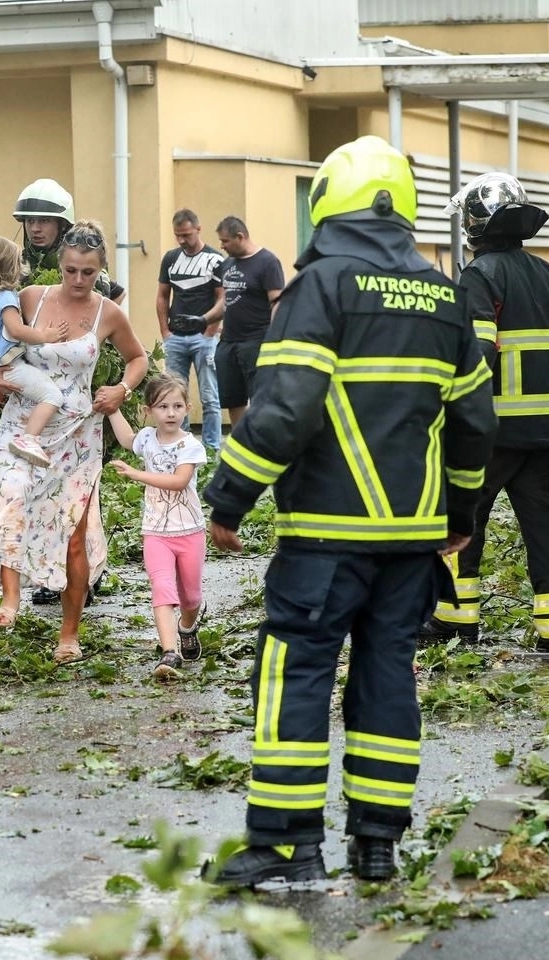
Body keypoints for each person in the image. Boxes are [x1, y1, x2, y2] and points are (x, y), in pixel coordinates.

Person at [201, 136, 496, 889]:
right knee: (387, 675)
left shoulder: (322, 286)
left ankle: (287, 845)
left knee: (295, 671)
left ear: (331, 199)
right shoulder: (444, 294)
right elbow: (473, 422)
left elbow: (285, 408)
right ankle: (377, 843)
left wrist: (229, 495)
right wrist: (459, 511)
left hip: (326, 536)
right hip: (411, 540)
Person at [420, 172, 549, 653]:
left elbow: (477, 351)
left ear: (475, 226)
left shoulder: (480, 276)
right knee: (548, 534)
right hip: (546, 437)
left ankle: (456, 622)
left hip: (491, 435)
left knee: (461, 523)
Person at [0, 220, 150, 663]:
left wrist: (122, 390)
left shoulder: (107, 312)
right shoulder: (30, 299)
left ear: (100, 271)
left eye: (88, 273)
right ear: (59, 264)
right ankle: (10, 600)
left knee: (74, 533)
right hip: (24, 425)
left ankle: (68, 634)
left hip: (78, 435)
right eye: (71, 270)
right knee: (13, 498)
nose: (78, 280)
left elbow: (138, 358)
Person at [106, 374, 209, 680]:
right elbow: (127, 439)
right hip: (156, 533)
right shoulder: (148, 438)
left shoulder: (190, 445)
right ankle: (170, 652)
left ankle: (187, 627)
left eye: (178, 405)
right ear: (149, 410)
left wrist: (136, 475)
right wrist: (112, 409)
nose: (171, 412)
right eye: (163, 406)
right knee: (162, 590)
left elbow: (178, 482)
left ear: (188, 408)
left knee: (191, 598)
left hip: (190, 531)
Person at [0, 235, 72, 467]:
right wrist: (46, 336)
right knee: (52, 396)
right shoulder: (6, 297)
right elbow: (16, 329)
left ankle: (10, 436)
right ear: (10, 266)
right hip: (9, 367)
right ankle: (29, 439)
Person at [199, 216, 284, 430]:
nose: (222, 246)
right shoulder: (228, 264)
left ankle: (261, 443)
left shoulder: (267, 262)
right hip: (229, 343)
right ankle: (240, 443)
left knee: (260, 400)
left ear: (240, 236)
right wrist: (202, 319)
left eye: (225, 241)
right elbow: (226, 301)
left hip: (256, 341)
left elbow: (278, 303)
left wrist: (273, 340)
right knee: (233, 400)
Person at [156, 209, 225, 452]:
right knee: (174, 396)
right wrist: (165, 331)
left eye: (186, 234)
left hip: (204, 338)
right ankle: (181, 447)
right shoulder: (171, 258)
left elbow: (222, 299)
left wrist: (210, 332)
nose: (182, 240)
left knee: (210, 396)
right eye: (178, 236)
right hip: (175, 337)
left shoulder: (216, 260)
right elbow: (163, 296)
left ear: (198, 229)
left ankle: (211, 450)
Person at [12, 178, 126, 304]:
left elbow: (118, 294)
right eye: (30, 221)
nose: (35, 229)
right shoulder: (16, 265)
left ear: (63, 225)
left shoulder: (79, 263)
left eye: (44, 221)